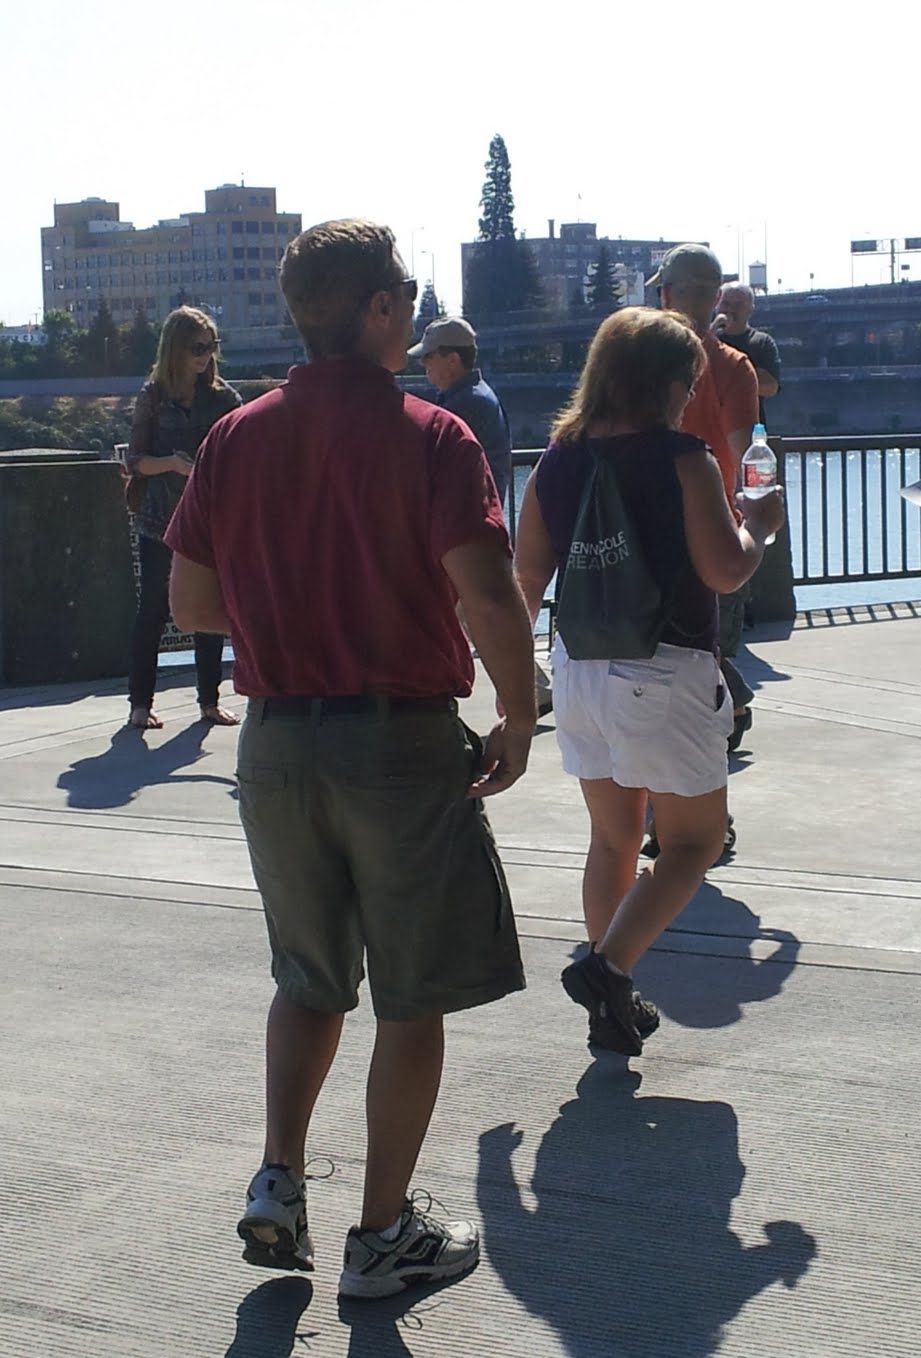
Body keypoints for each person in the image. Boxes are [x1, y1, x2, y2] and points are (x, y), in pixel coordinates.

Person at [166, 218, 537, 1298]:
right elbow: (487, 591)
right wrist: (518, 713)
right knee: (410, 993)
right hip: (397, 737)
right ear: (376, 309)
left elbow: (190, 600)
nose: (413, 308)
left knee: (308, 977)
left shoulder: (235, 438)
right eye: (406, 292)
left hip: (277, 742)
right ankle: (380, 1236)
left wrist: (291, 602)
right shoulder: (434, 436)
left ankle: (279, 1179)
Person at [513, 306, 784, 1056]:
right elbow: (725, 571)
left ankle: (613, 1006)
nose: (689, 396)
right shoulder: (685, 458)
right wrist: (759, 526)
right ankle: (608, 970)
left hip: (578, 668)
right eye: (688, 382)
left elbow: (526, 579)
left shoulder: (556, 460)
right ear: (665, 384)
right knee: (694, 842)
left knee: (612, 841)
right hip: (665, 669)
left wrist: (511, 685)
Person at [411, 314, 552, 718]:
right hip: (473, 527)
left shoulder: (465, 405)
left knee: (471, 616)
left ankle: (522, 691)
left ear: (452, 359)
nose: (423, 365)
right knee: (475, 617)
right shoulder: (472, 396)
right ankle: (531, 688)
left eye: (429, 357)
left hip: (464, 530)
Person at [652, 244, 761, 757]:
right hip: (719, 528)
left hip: (651, 530)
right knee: (704, 645)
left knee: (673, 649)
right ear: (716, 297)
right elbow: (746, 454)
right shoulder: (735, 367)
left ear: (666, 295)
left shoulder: (641, 363)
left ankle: (726, 714)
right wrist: (755, 522)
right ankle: (727, 713)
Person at [122, 306, 242, 730]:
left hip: (206, 518)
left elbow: (241, 451)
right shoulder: (153, 395)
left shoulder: (224, 398)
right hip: (159, 518)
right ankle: (140, 703)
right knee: (153, 610)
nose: (206, 356)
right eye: (197, 348)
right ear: (176, 349)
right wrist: (174, 463)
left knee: (207, 608)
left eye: (211, 347)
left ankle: (209, 701)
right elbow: (136, 461)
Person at [712, 282, 781, 428]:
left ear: (751, 310)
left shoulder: (762, 342)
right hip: (711, 426)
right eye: (725, 304)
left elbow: (771, 387)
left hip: (749, 428)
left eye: (738, 305)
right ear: (716, 306)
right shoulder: (709, 340)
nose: (730, 310)